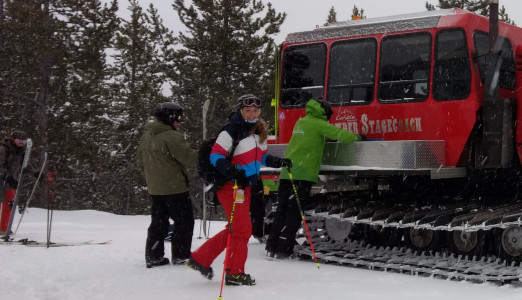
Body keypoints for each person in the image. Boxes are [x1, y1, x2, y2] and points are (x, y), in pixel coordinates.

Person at [186, 94, 289, 286]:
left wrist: (278, 161)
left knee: (236, 228)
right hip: (230, 186)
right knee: (242, 230)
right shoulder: (232, 130)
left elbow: (262, 157)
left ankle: (200, 259)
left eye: (255, 110)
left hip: (246, 186)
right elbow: (216, 156)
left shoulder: (259, 131)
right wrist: (233, 172)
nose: (251, 113)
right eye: (247, 110)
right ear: (241, 110)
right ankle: (235, 272)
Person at [265, 99, 358, 260]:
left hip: (287, 173)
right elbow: (343, 135)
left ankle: (271, 246)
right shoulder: (319, 124)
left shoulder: (301, 122)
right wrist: (358, 137)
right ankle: (284, 249)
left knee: (282, 210)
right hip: (303, 174)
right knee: (294, 212)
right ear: (324, 113)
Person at [137, 102, 197, 268]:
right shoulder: (171, 135)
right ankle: (181, 255)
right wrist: (205, 152)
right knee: (184, 222)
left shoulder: (147, 135)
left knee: (158, 222)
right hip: (175, 187)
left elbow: (140, 162)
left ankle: (154, 256)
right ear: (170, 118)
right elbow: (188, 158)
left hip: (155, 188)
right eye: (178, 119)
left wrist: (153, 178)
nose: (179, 122)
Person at [1, 130, 34, 237]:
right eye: (19, 141)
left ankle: (3, 228)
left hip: (10, 181)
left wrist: (35, 173)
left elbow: (25, 164)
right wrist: (6, 177)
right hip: (2, 179)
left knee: (10, 204)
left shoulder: (20, 151)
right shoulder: (3, 149)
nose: (21, 144)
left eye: (23, 142)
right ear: (12, 139)